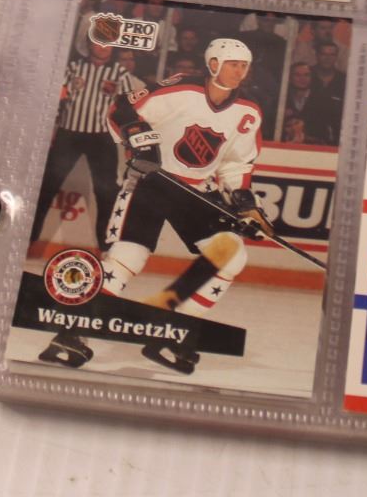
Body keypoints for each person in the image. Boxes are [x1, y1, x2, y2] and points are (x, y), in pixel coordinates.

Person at [39, 38, 266, 375]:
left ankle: (172, 333)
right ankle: (71, 335)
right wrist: (138, 136)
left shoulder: (248, 111)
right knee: (127, 257)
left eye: (244, 65)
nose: (240, 71)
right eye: (233, 64)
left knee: (232, 256)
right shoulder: (181, 88)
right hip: (151, 182)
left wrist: (243, 201)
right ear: (214, 64)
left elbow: (236, 163)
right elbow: (121, 108)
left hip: (196, 191)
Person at [30, 37, 144, 251]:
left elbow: (129, 108)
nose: (103, 48)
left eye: (108, 44)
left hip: (101, 138)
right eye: (99, 43)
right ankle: (28, 238)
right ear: (90, 44)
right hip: (68, 134)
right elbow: (56, 99)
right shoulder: (73, 68)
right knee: (48, 186)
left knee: (106, 192)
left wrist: (129, 137)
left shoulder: (120, 73)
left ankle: (107, 247)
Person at [302, 41, 347, 145]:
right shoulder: (304, 75)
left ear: (336, 57)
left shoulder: (344, 80)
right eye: (324, 54)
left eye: (332, 55)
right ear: (316, 55)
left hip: (335, 139)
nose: (327, 58)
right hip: (305, 137)